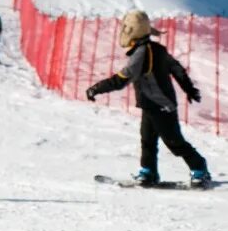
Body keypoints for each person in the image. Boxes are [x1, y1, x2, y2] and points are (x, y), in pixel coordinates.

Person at [85, 10, 211, 187]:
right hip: (150, 105)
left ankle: (200, 169)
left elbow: (122, 79)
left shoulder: (142, 52)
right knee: (147, 140)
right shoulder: (156, 49)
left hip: (161, 105)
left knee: (174, 142)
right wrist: (188, 88)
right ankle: (148, 172)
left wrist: (96, 89)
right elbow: (177, 68)